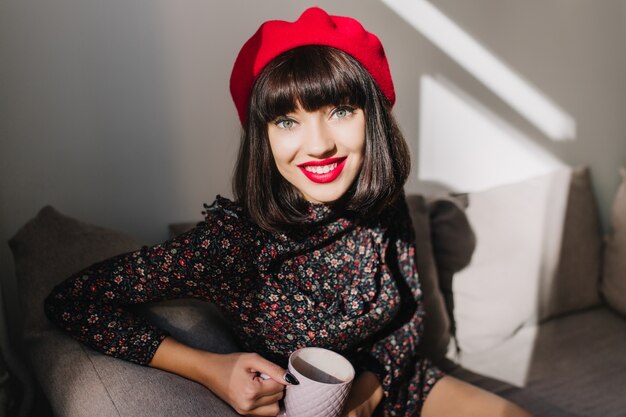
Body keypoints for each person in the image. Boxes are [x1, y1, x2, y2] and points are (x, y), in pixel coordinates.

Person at [45, 7, 533, 417]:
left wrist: (369, 392)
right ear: (265, 138)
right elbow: (72, 301)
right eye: (287, 120)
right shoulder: (234, 243)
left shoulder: (385, 204)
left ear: (374, 120)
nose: (319, 145)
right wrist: (211, 369)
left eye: (341, 110)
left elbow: (408, 318)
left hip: (393, 385)